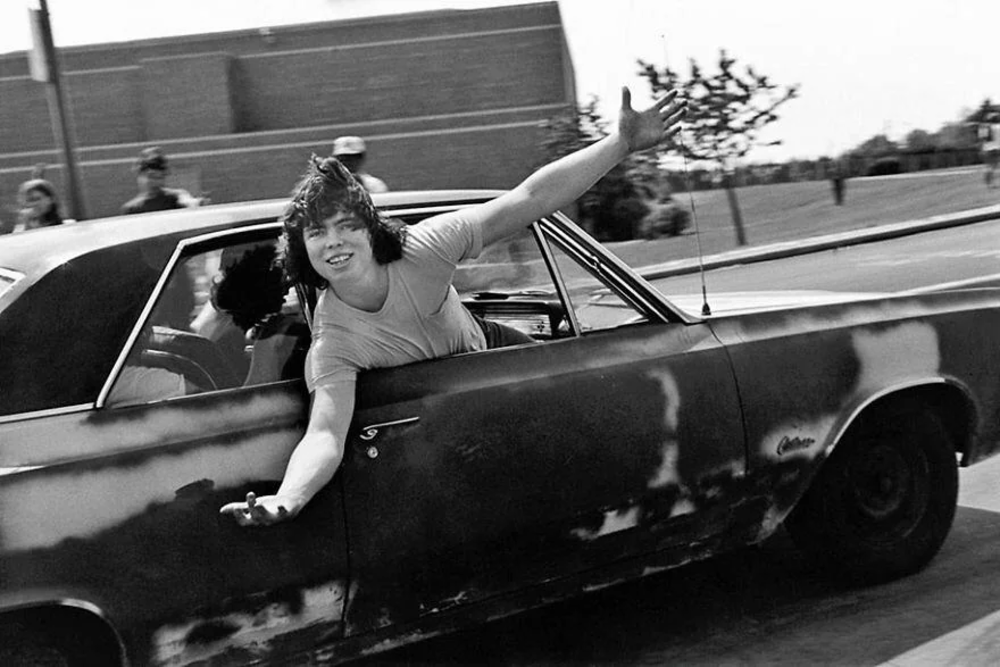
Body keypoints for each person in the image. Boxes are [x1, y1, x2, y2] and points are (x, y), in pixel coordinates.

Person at [220, 86, 685, 527]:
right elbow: (325, 433)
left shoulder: (424, 247)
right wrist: (289, 497)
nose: (335, 243)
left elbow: (527, 200)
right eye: (318, 233)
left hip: (489, 350)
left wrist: (619, 144)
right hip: (442, 405)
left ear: (370, 229)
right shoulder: (332, 341)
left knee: (585, 412)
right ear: (302, 250)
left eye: (346, 226)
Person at [121, 147, 202, 215]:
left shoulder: (174, 197)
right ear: (140, 176)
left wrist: (193, 204)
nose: (155, 182)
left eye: (160, 177)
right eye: (151, 176)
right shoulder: (132, 209)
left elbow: (187, 201)